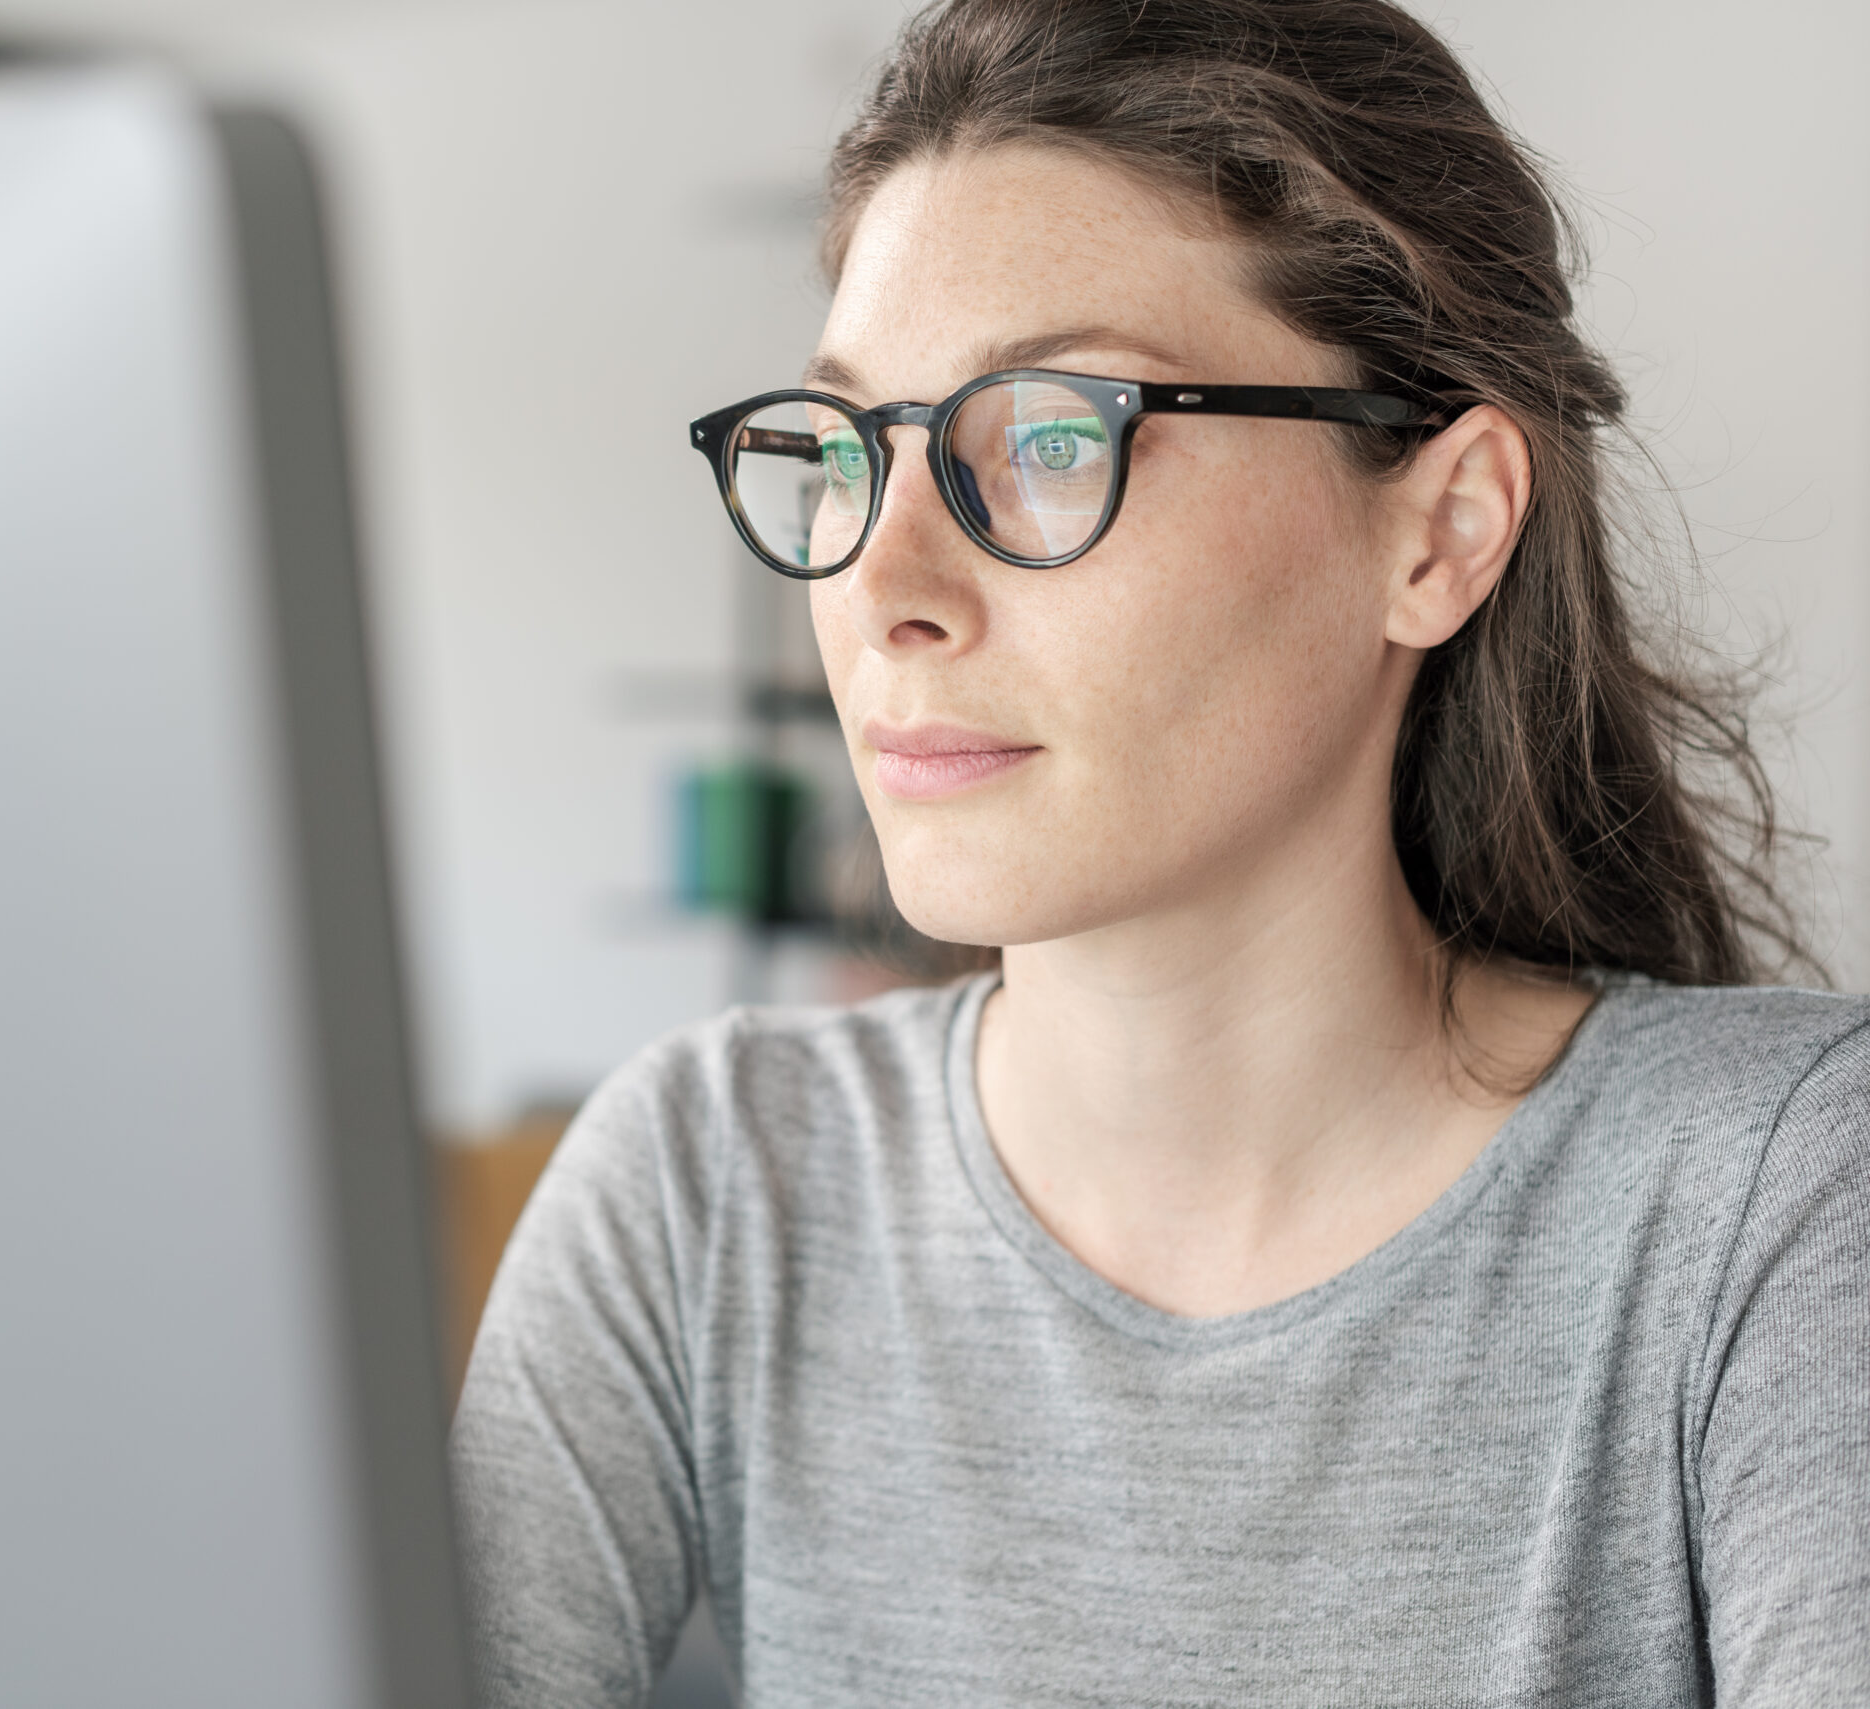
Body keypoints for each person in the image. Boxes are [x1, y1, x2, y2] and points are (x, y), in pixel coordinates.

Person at [448, 0, 1870, 1703]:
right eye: (841, 449)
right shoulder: (712, 1181)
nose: (884, 585)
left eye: (1051, 434)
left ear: (1442, 527)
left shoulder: (1782, 1199)